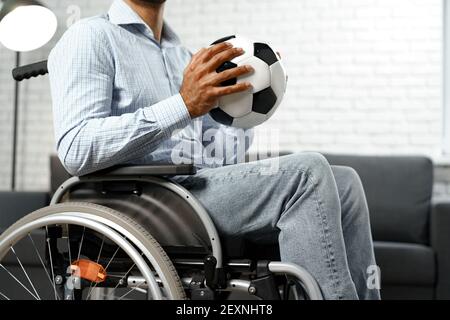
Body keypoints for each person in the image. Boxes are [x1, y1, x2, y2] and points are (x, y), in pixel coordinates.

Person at [48, 0, 380, 300]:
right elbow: (77, 148)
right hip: (145, 201)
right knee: (308, 171)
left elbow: (222, 159)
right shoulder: (90, 36)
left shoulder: (184, 56)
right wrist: (183, 105)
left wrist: (247, 108)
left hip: (196, 189)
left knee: (345, 182)